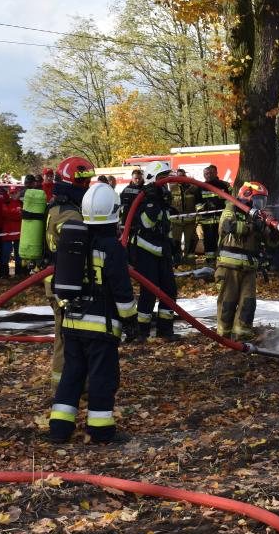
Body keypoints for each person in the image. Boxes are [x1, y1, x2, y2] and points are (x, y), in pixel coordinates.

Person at [47, 183, 137, 445]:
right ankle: (101, 430)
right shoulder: (112, 247)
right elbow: (122, 289)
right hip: (101, 328)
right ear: (114, 213)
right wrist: (132, 320)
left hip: (72, 323)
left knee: (72, 374)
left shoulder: (76, 240)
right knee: (102, 378)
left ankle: (59, 428)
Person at [45, 156, 96, 391]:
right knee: (67, 338)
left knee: (69, 336)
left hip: (59, 280)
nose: (87, 186)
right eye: (83, 182)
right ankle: (63, 388)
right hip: (65, 283)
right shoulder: (70, 215)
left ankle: (73, 384)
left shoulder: (60, 206)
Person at [216, 181, 279, 340]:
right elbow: (227, 226)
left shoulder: (258, 217)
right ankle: (223, 336)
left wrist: (274, 231)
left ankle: (242, 334)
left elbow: (272, 242)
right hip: (229, 267)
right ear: (246, 195)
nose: (260, 205)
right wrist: (252, 227)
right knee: (228, 303)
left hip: (249, 269)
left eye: (263, 201)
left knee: (248, 304)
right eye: (258, 200)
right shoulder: (232, 208)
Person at [130, 171, 179, 341]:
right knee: (149, 292)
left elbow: (166, 224)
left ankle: (165, 330)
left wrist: (174, 247)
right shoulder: (144, 198)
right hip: (146, 252)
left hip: (162, 251)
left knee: (169, 290)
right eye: (162, 178)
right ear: (153, 180)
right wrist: (152, 201)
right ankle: (142, 332)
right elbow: (146, 223)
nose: (166, 181)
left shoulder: (162, 197)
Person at [195, 164, 231, 268]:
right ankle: (210, 261)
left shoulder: (223, 186)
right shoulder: (200, 188)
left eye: (210, 173)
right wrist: (202, 207)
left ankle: (223, 260)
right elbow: (197, 203)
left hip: (221, 219)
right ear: (203, 175)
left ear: (216, 173)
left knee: (222, 240)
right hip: (207, 220)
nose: (208, 175)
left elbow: (230, 201)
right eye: (206, 173)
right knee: (209, 241)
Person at [167, 168, 199, 266]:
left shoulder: (193, 187)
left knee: (190, 241)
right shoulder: (171, 188)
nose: (181, 178)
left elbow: (198, 199)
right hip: (176, 221)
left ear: (185, 176)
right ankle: (177, 261)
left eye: (182, 176)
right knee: (175, 242)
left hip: (190, 221)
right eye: (178, 176)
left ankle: (189, 262)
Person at [19, 174, 47, 272]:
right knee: (34, 246)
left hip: (28, 226)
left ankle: (27, 266)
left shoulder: (26, 193)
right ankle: (32, 267)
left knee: (29, 247)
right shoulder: (33, 193)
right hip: (33, 226)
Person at [0, 185, 22, 278]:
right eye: (12, 193)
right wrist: (17, 213)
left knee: (19, 255)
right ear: (9, 193)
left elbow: (22, 216)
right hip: (7, 233)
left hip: (19, 233)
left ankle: (18, 273)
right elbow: (5, 214)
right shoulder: (5, 203)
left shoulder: (22, 203)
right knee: (5, 255)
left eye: (15, 193)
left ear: (18, 193)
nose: (13, 195)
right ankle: (4, 274)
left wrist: (13, 213)